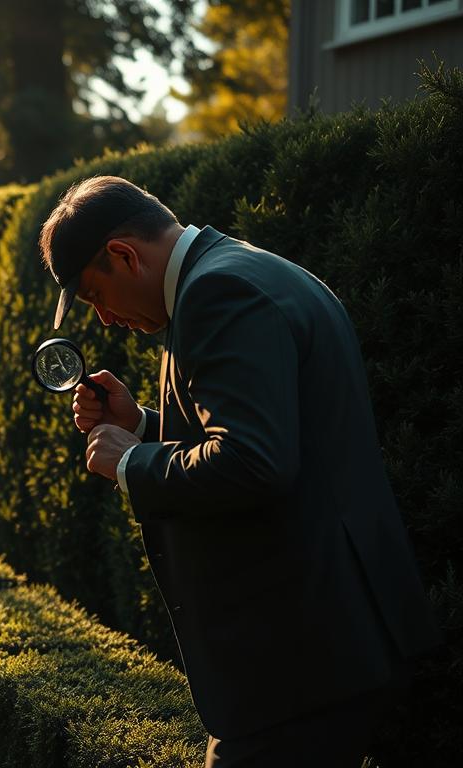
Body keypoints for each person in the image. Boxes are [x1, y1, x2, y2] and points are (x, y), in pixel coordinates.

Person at [40, 175, 443, 767]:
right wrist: (147, 425)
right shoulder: (243, 269)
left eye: (96, 296)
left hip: (302, 658)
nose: (103, 319)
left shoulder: (216, 293)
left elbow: (254, 462)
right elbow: (272, 435)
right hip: (329, 642)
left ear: (124, 255)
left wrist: (130, 460)